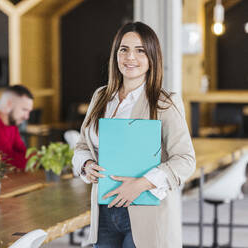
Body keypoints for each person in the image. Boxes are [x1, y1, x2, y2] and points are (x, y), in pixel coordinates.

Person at [72, 22, 196, 248]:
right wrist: (86, 164)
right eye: (124, 49)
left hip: (146, 213)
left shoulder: (164, 102)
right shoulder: (100, 97)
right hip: (105, 211)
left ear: (152, 58)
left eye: (140, 51)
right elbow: (81, 145)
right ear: (115, 55)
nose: (130, 57)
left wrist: (141, 184)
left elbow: (185, 160)